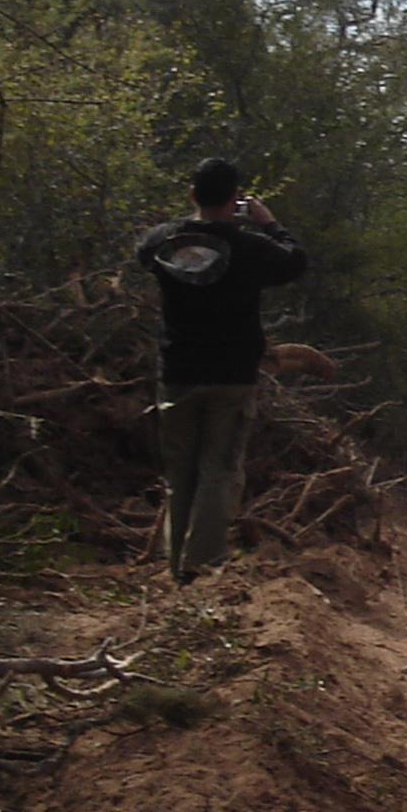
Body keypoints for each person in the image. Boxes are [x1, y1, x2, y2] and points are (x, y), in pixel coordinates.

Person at [135, 158, 309, 583]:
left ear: (192, 194)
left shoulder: (165, 242)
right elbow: (295, 262)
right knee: (220, 470)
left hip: (177, 372)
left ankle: (178, 565)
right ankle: (203, 566)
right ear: (235, 201)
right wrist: (269, 223)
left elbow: (142, 249)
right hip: (231, 376)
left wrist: (188, 224)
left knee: (180, 474)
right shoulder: (250, 247)